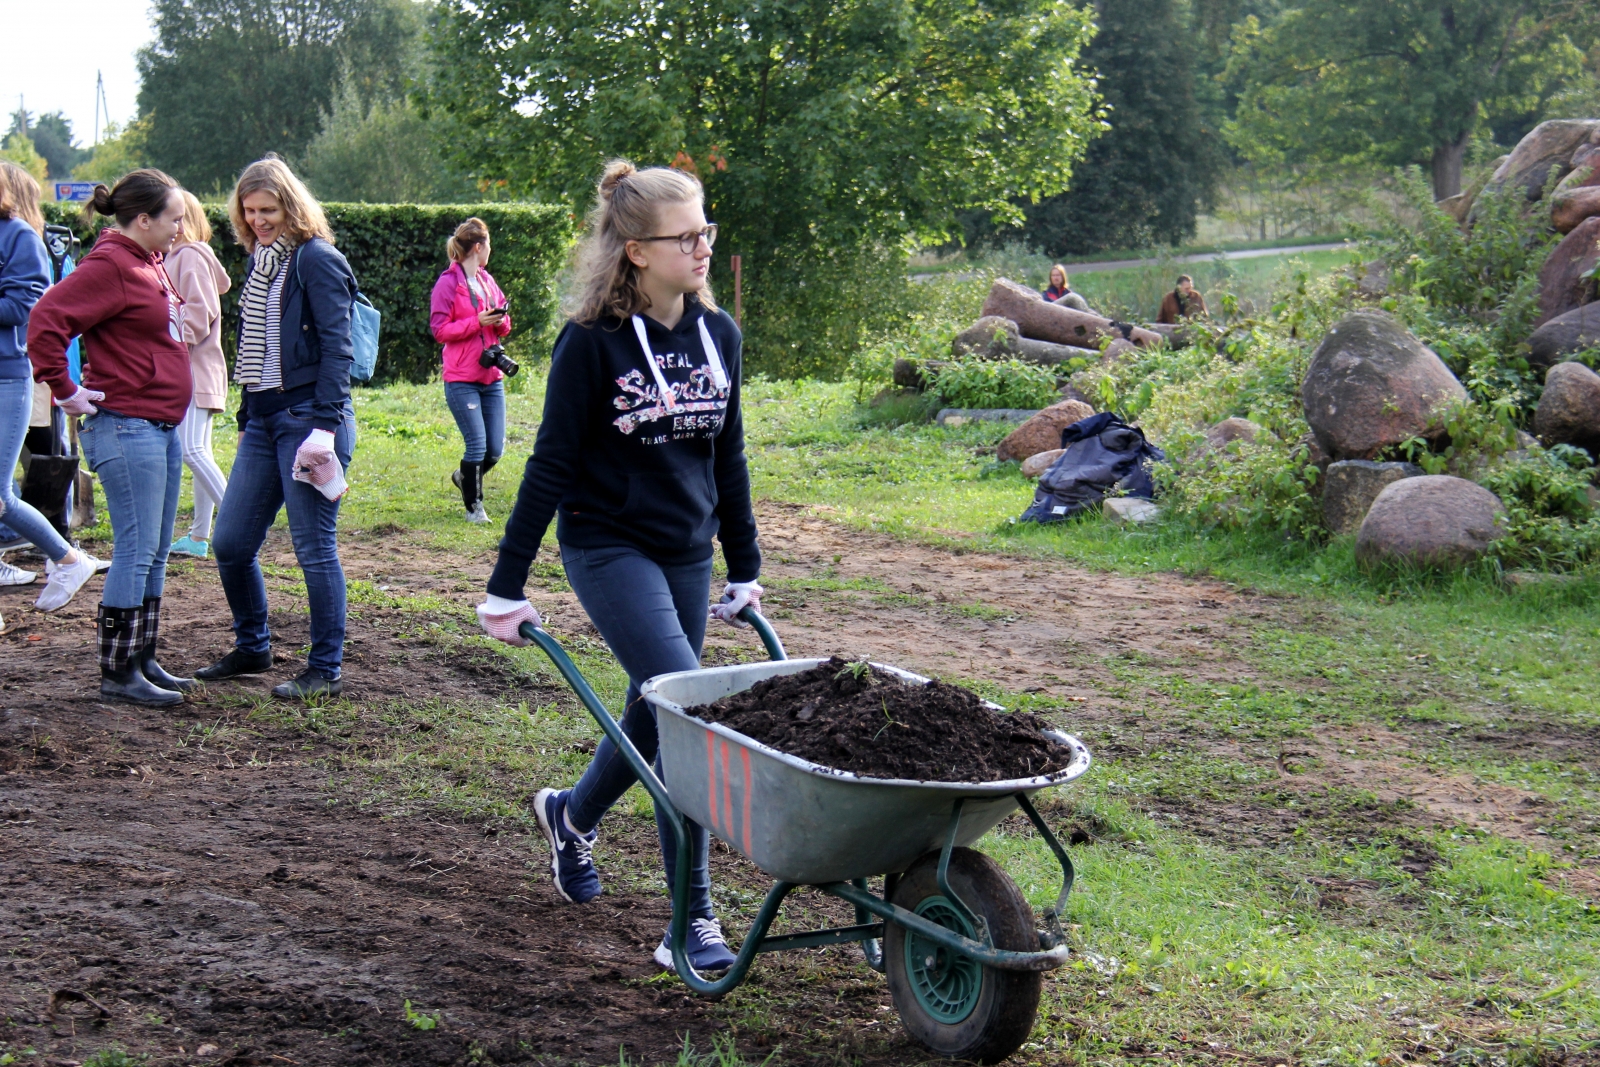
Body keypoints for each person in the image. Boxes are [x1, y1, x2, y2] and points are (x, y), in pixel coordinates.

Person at [475, 160, 760, 976]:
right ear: (636, 250)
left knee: (657, 695)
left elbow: (727, 456)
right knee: (690, 709)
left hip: (686, 549)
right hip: (607, 545)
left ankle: (570, 814)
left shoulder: (719, 335)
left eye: (706, 230)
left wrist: (743, 562)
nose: (703, 246)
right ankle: (690, 919)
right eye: (686, 236)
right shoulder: (591, 344)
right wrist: (508, 580)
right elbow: (550, 464)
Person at [195, 156, 358, 701]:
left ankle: (325, 668)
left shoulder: (317, 259)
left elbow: (339, 348)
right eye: (250, 211)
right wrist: (247, 418)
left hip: (310, 421)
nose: (259, 220)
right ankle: (254, 646)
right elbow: (255, 350)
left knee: (314, 548)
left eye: (269, 210)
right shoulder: (261, 260)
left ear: (292, 205)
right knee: (231, 542)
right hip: (266, 421)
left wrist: (325, 428)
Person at [28, 169, 192, 706]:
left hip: (159, 425)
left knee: (156, 550)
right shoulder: (110, 264)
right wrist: (66, 390)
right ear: (142, 219)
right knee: (136, 549)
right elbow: (47, 319)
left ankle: (142, 657)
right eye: (173, 218)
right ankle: (118, 672)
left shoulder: (146, 262)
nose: (179, 228)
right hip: (127, 425)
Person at [0, 161, 100, 607]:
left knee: (0, 493)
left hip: (8, 377)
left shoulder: (19, 236)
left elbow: (28, 303)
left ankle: (65, 557)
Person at [430, 217, 512, 524]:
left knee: (494, 450)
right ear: (478, 247)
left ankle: (462, 476)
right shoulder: (447, 283)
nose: (490, 250)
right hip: (462, 377)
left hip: (491, 376)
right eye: (488, 244)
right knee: (476, 444)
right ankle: (474, 509)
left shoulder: (488, 281)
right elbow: (439, 330)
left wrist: (499, 319)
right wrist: (477, 322)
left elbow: (505, 325)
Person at [167, 191, 232, 560]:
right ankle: (198, 537)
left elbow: (201, 310)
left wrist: (171, 345)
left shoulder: (188, 255)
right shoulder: (179, 256)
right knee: (199, 449)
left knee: (190, 449)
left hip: (194, 369)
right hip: (196, 368)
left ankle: (239, 522)